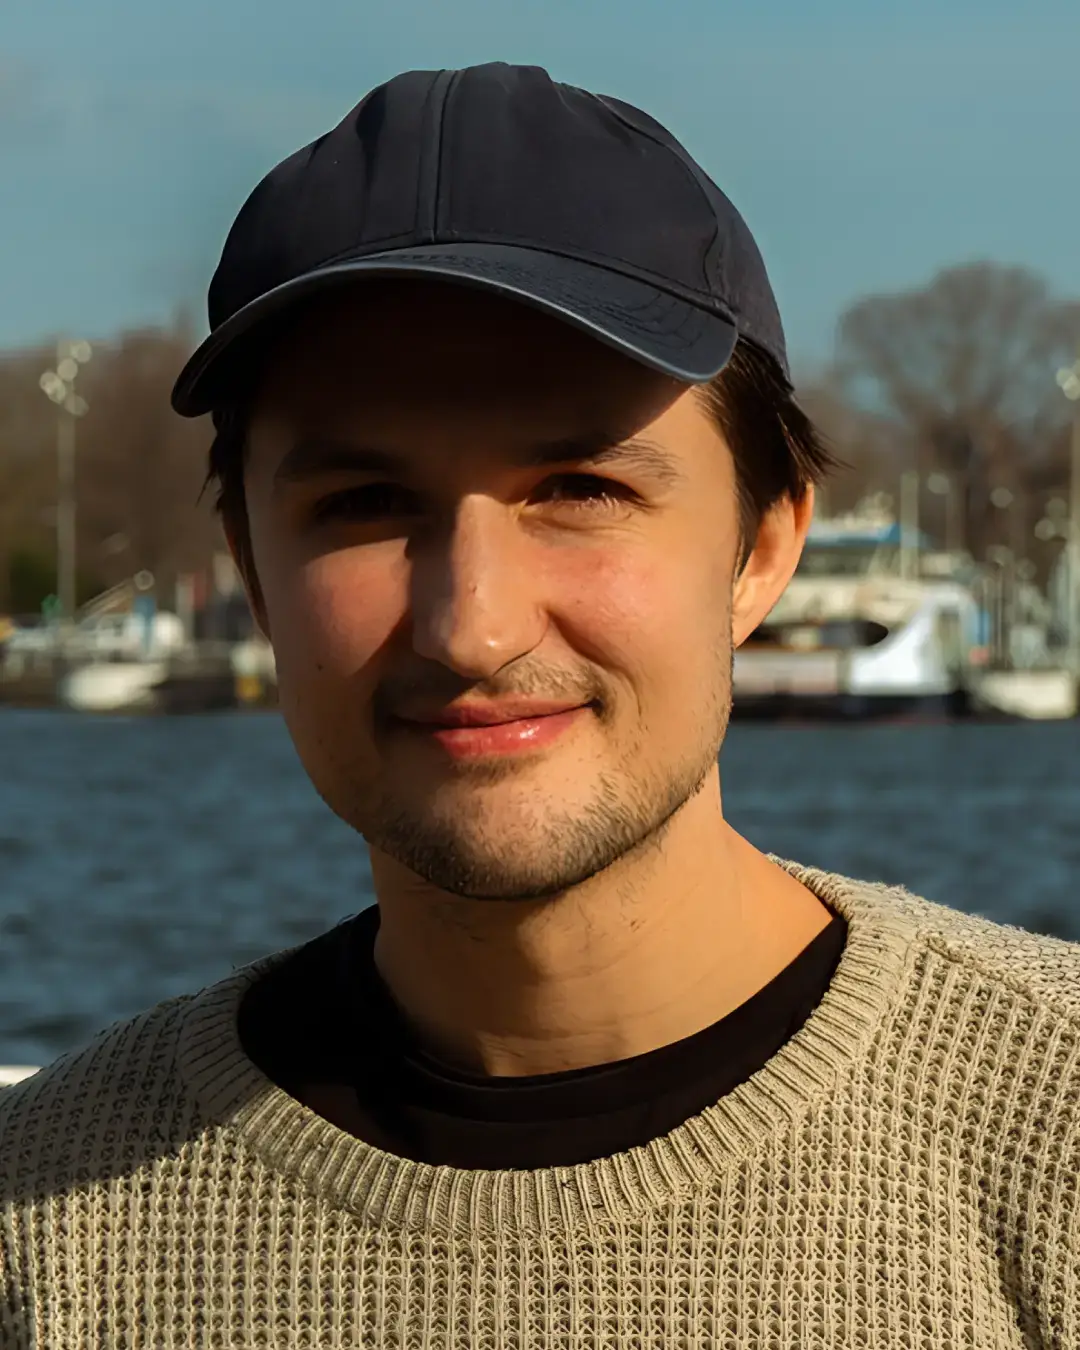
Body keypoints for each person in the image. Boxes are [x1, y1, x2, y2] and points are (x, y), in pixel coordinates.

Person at [2, 62, 1078, 1349]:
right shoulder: (45, 1219)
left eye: (580, 489)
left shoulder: (1049, 1131)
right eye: (363, 507)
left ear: (763, 548)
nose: (475, 624)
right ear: (252, 568)